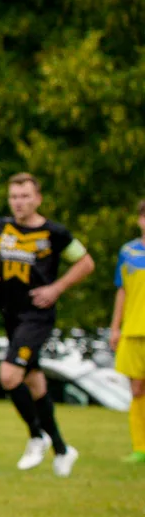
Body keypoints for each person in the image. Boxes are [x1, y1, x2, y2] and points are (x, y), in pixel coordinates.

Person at [0, 173, 93, 475]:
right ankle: (63, 450)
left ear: (38, 199)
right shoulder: (0, 228)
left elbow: (86, 263)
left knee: (8, 375)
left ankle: (36, 436)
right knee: (34, 382)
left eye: (25, 196)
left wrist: (57, 288)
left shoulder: (54, 233)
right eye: (14, 197)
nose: (19, 202)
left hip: (37, 316)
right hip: (11, 314)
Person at [112, 198, 145, 464]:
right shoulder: (128, 252)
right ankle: (140, 448)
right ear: (139, 220)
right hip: (133, 330)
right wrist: (115, 327)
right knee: (137, 390)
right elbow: (121, 290)